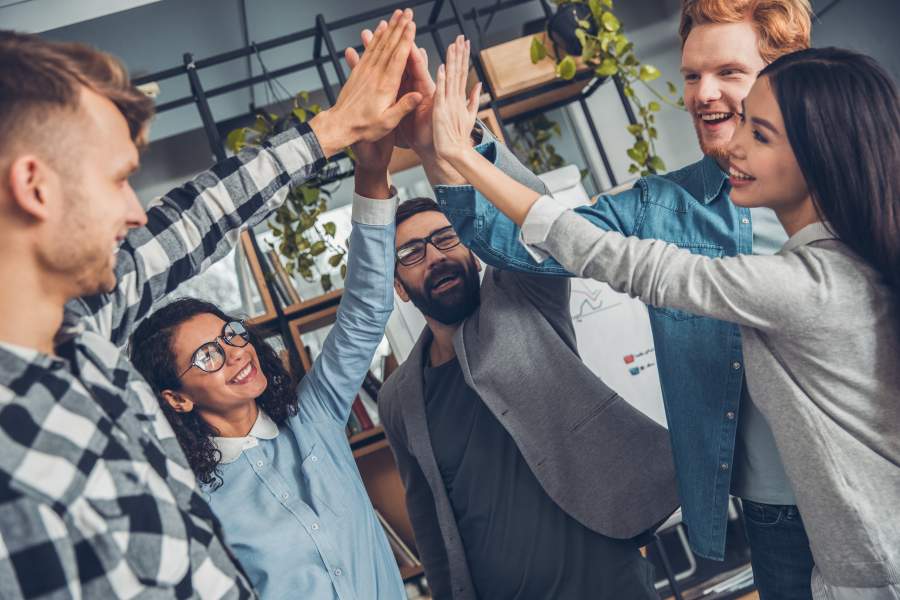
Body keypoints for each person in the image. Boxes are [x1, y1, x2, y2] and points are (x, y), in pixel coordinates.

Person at [433, 42, 900, 600]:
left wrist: (461, 157)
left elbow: (626, 264)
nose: (736, 142)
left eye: (760, 133)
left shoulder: (810, 285)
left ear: (819, 153)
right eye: (744, 121)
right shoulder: (835, 263)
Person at [0, 10, 421, 598]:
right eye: (117, 178)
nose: (135, 211)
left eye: (230, 335)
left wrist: (338, 134)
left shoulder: (84, 347)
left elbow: (191, 223)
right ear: (35, 187)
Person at [130, 144, 403, 598]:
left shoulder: (314, 415)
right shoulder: (191, 502)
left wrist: (372, 174)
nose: (235, 353)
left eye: (231, 335)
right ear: (176, 398)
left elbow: (367, 309)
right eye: (207, 356)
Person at [379, 193, 678, 598]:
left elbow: (537, 221)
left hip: (608, 585)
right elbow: (430, 521)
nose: (435, 257)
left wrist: (452, 151)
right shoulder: (399, 399)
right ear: (398, 286)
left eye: (447, 238)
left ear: (475, 250)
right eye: (412, 253)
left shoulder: (523, 300)